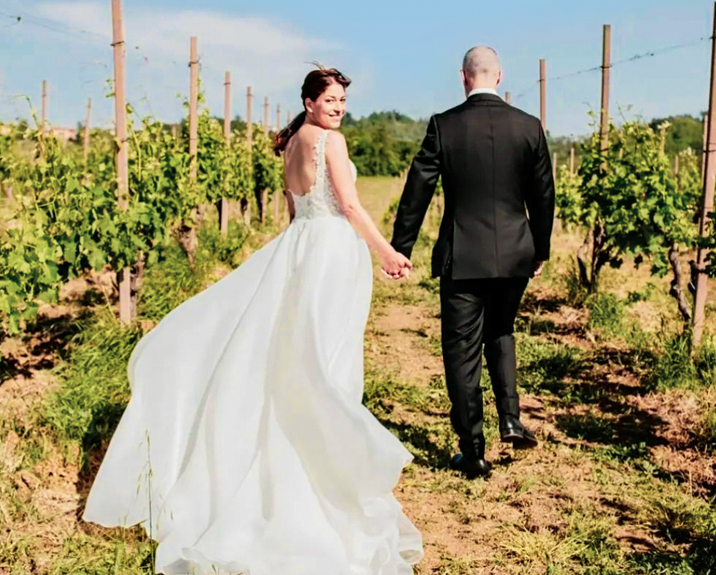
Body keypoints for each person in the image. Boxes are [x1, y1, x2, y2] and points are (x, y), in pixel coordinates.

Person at [83, 66, 422, 575]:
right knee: (322, 364)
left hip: (303, 247)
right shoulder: (329, 141)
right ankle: (323, 469)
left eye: (342, 101)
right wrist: (385, 252)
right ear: (309, 101)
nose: (338, 108)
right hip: (330, 251)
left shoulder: (292, 143)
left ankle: (295, 456)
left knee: (296, 356)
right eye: (330, 99)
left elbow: (295, 213)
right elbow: (349, 205)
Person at [390, 46, 555, 479]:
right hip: (516, 253)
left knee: (462, 352)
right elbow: (543, 196)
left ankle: (474, 451)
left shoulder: (444, 126)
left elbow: (418, 188)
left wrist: (400, 247)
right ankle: (512, 419)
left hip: (462, 257)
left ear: (464, 77)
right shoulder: (529, 127)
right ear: (498, 76)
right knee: (501, 330)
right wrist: (540, 249)